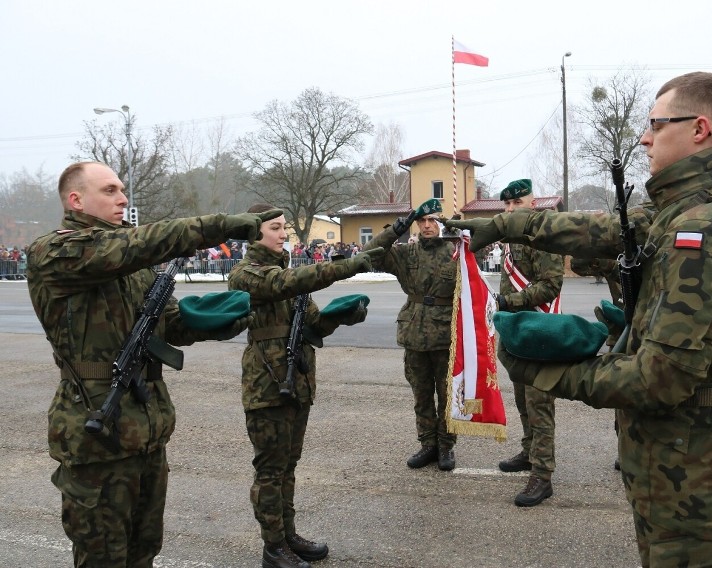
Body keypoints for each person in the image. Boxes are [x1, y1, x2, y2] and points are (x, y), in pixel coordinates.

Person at [447, 72, 712, 567]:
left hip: (696, 469)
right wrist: (500, 224)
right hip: (677, 456)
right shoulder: (680, 212)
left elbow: (659, 378)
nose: (645, 136)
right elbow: (590, 230)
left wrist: (543, 371)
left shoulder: (706, 228)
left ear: (700, 129)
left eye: (656, 124)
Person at [26, 161, 283, 567]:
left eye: (122, 190)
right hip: (97, 432)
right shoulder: (55, 252)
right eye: (109, 190)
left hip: (145, 430)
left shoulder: (132, 264)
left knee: (144, 552)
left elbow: (168, 324)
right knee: (103, 559)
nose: (123, 198)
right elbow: (140, 244)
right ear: (76, 199)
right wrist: (220, 225)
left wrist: (211, 320)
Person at [228, 204, 380, 568]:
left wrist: (338, 318)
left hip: (295, 380)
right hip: (267, 383)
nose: (283, 234)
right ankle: (273, 547)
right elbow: (282, 285)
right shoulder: (245, 274)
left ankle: (288, 534)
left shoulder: (289, 273)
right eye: (276, 228)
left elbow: (312, 323)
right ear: (256, 233)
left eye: (284, 228)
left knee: (288, 465)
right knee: (270, 468)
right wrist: (344, 267)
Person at [363, 198, 459, 471]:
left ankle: (446, 446)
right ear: (416, 224)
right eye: (422, 221)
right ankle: (427, 444)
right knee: (422, 394)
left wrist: (460, 228)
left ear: (441, 223)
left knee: (447, 393)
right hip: (414, 332)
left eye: (433, 221)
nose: (427, 226)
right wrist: (395, 230)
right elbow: (370, 252)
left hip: (445, 334)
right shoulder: (407, 254)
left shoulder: (456, 251)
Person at [492, 179, 565, 507]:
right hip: (517, 331)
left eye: (516, 204)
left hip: (539, 331)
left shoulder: (543, 237)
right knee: (522, 398)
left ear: (531, 205)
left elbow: (551, 285)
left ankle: (542, 475)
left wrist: (513, 302)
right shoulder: (509, 239)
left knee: (539, 403)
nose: (510, 210)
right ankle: (528, 449)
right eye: (506, 205)